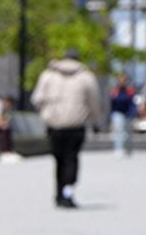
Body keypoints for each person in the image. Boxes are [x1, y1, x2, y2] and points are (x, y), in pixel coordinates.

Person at [31, 48, 102, 208]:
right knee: (71, 158)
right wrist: (96, 121)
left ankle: (58, 193)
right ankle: (67, 192)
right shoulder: (86, 77)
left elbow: (37, 99)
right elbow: (94, 102)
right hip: (76, 124)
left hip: (54, 124)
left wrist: (47, 111)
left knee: (58, 159)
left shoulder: (48, 75)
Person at [108, 72, 136, 157]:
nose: (122, 81)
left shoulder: (129, 90)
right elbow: (112, 103)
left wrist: (131, 113)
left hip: (127, 113)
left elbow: (132, 103)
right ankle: (118, 148)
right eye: (120, 79)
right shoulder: (114, 90)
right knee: (118, 130)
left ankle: (128, 148)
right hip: (117, 112)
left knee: (127, 132)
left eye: (124, 80)